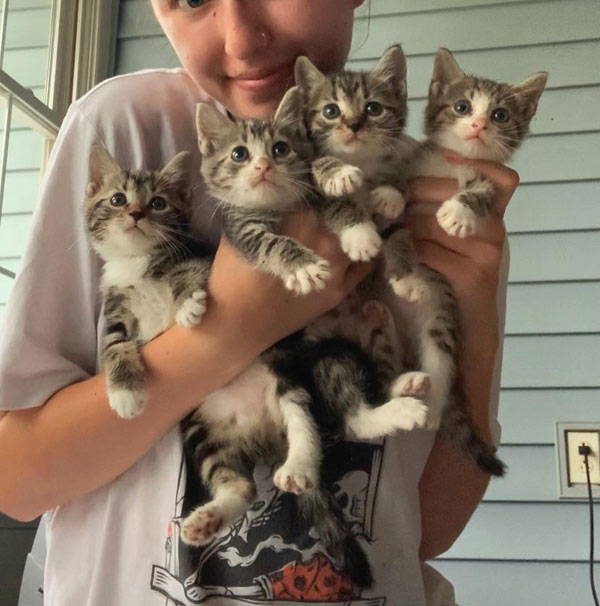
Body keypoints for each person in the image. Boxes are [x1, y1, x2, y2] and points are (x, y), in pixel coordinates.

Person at [0, 1, 517, 604]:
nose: (242, 40)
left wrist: (477, 326)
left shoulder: (429, 189)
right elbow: (17, 479)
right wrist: (232, 327)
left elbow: (431, 526)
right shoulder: (125, 130)